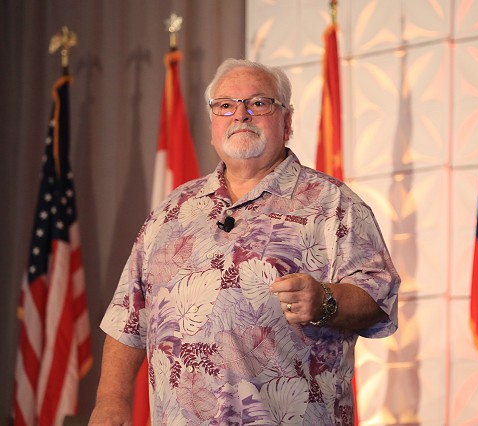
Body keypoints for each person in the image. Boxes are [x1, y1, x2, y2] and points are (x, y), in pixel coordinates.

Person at [89, 58, 400, 425]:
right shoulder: (172, 211)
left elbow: (379, 296)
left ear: (287, 121)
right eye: (225, 105)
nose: (241, 114)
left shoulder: (334, 203)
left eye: (259, 103)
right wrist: (110, 401)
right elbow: (127, 316)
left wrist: (325, 300)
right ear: (212, 123)